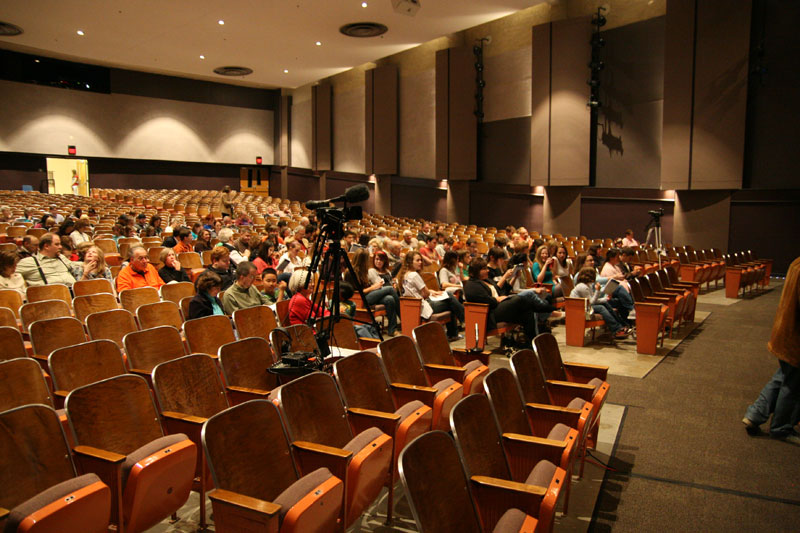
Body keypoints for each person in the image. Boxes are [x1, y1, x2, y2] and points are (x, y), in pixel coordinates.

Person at [742, 256, 800, 445]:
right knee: (793, 385)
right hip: (795, 336)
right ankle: (781, 427)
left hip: (786, 332)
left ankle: (755, 414)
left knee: (783, 376)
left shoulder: (796, 263)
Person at [464, 257, 543, 346]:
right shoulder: (471, 285)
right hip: (491, 313)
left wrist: (513, 278)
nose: (487, 270)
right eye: (484, 269)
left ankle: (532, 343)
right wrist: (497, 299)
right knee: (520, 299)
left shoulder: (486, 280)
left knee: (528, 311)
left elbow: (502, 290)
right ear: (476, 271)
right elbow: (485, 301)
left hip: (500, 307)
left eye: (486, 268)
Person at [397, 251, 464, 340]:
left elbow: (420, 291)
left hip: (414, 307)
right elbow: (426, 294)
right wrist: (430, 292)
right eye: (417, 260)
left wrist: (431, 291)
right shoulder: (414, 275)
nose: (420, 262)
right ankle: (463, 320)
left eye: (421, 260)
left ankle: (455, 331)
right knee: (449, 297)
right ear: (410, 262)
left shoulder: (404, 275)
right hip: (423, 308)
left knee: (449, 299)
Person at [570, 267, 630, 339]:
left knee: (605, 304)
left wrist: (605, 299)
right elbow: (592, 302)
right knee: (601, 308)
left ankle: (622, 326)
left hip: (585, 306)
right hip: (579, 309)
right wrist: (597, 290)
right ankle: (616, 329)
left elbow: (592, 301)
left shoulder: (587, 285)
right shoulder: (582, 287)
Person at [351, 248, 398, 336]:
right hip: (361, 299)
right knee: (390, 289)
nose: (369, 261)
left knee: (389, 299)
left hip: (370, 295)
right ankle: (403, 316)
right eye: (368, 259)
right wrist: (373, 287)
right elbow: (359, 292)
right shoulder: (353, 272)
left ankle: (392, 330)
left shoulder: (364, 271)